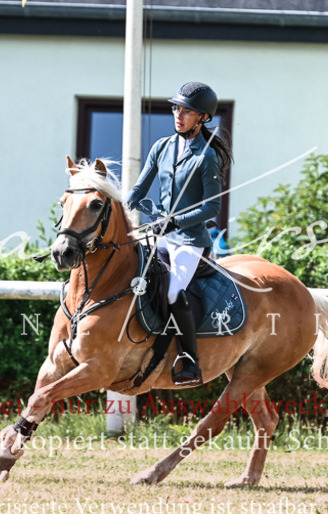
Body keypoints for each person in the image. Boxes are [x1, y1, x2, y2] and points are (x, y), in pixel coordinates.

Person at [125, 81, 233, 386]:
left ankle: (189, 360)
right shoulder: (162, 147)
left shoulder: (206, 157)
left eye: (187, 111)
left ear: (203, 118)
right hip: (160, 238)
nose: (178, 115)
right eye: (177, 108)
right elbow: (140, 187)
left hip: (191, 243)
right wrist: (121, 202)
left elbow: (212, 208)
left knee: (173, 291)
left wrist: (174, 222)